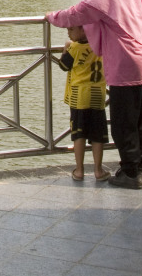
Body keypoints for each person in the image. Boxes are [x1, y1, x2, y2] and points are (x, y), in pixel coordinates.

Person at [45, 0, 142, 189]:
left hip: (126, 67)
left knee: (123, 123)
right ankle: (138, 166)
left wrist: (51, 16)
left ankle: (130, 173)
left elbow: (74, 14)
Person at [58, 25, 111, 182]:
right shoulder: (101, 45)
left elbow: (63, 66)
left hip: (78, 96)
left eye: (71, 30)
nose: (68, 32)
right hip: (97, 95)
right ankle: (98, 170)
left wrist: (65, 48)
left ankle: (79, 170)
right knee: (97, 135)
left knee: (79, 133)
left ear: (82, 30)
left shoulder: (75, 47)